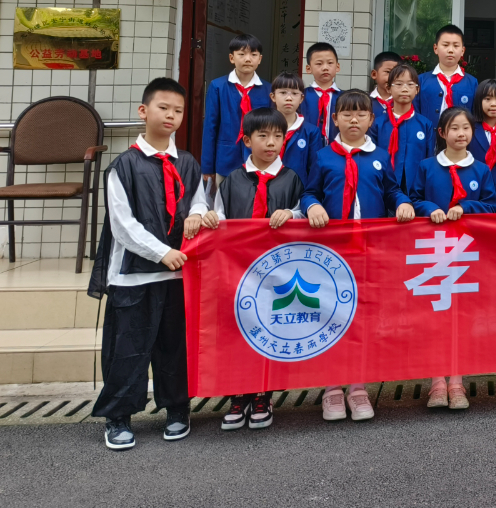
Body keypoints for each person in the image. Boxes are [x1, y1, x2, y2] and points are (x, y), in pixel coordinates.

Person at [88, 77, 208, 451]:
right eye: (163, 107)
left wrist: (198, 214)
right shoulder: (122, 166)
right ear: (144, 111)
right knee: (127, 348)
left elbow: (201, 200)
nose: (171, 115)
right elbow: (122, 225)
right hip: (133, 276)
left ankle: (177, 409)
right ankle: (118, 417)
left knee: (174, 347)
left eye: (178, 111)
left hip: (178, 275)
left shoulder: (187, 163)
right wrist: (161, 252)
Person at [302, 89, 414, 421]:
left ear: (371, 119)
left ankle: (359, 386)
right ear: (334, 119)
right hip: (333, 254)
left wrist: (402, 202)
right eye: (347, 114)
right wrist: (313, 205)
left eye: (361, 114)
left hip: (370, 250)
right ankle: (332, 388)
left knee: (363, 317)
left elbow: (391, 189)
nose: (354, 120)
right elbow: (309, 192)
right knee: (332, 316)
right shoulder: (324, 157)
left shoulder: (379, 155)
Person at [191, 106, 304, 433]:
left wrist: (292, 214)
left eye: (278, 136)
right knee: (237, 331)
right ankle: (237, 395)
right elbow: (219, 216)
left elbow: (303, 212)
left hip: (277, 273)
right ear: (246, 140)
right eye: (263, 136)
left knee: (269, 332)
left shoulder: (292, 179)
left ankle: (263, 396)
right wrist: (210, 218)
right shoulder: (232, 181)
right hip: (239, 272)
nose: (271, 143)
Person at [409, 105, 496, 411]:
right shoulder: (427, 166)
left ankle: (457, 381)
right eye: (455, 128)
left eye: (466, 128)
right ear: (442, 133)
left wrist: (466, 207)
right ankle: (436, 382)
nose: (461, 134)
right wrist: (429, 208)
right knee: (435, 317)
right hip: (434, 251)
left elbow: (491, 205)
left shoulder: (481, 169)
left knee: (462, 316)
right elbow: (414, 198)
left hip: (468, 251)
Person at [201, 33, 269, 188]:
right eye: (242, 54)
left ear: (260, 59)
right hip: (226, 159)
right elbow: (210, 127)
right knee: (223, 199)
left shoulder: (268, 89)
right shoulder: (218, 86)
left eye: (253, 55)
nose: (248, 59)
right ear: (232, 58)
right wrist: (207, 166)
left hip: (258, 159)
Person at [371, 63, 432, 191]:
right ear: (388, 88)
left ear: (417, 90)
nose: (405, 89)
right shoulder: (378, 124)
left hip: (416, 189)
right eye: (398, 84)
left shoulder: (425, 124)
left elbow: (429, 159)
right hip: (382, 187)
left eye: (410, 84)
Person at [266, 71, 323, 190]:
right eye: (283, 93)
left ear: (301, 98)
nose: (289, 98)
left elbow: (314, 168)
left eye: (294, 93)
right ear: (273, 96)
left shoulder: (311, 131)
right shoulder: (262, 127)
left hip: (298, 191)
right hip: (266, 187)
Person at [416, 24, 477, 133]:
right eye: (445, 45)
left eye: (456, 46)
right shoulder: (421, 81)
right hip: (428, 139)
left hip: (460, 139)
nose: (450, 50)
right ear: (435, 48)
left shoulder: (472, 83)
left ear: (462, 51)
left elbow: (475, 116)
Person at [301, 42, 342, 143]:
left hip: (337, 147)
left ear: (337, 67)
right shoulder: (301, 96)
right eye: (319, 64)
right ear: (308, 69)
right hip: (307, 146)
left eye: (330, 63)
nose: (325, 68)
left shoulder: (345, 97)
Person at [368, 50, 402, 124]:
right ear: (374, 74)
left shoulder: (404, 102)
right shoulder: (365, 101)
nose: (392, 77)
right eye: (388, 72)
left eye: (397, 73)